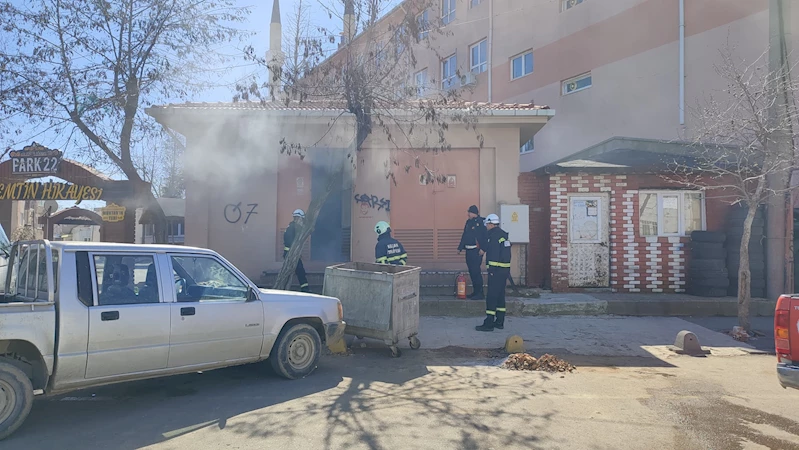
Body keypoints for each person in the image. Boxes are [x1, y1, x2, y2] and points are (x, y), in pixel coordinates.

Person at [476, 213, 511, 332]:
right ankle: (500, 321)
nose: (486, 226)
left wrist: (491, 270)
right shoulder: (503, 235)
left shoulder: (494, 236)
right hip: (504, 271)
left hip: (496, 271)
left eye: (487, 224)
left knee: (491, 296)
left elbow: (494, 255)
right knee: (500, 296)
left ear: (491, 224)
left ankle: (489, 323)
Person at [458, 205, 487, 300]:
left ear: (474, 213)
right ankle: (475, 292)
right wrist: (460, 248)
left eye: (469, 212)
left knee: (476, 272)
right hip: (468, 250)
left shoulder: (481, 222)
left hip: (476, 251)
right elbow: (464, 235)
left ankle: (480, 293)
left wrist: (483, 249)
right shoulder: (468, 222)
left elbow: (485, 237)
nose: (468, 214)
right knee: (472, 272)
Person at [283, 209, 310, 292]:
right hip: (291, 254)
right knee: (300, 271)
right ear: (298, 218)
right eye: (301, 219)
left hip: (290, 253)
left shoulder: (291, 227)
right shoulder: (293, 228)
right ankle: (305, 289)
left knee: (297, 271)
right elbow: (291, 242)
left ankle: (303, 288)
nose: (301, 221)